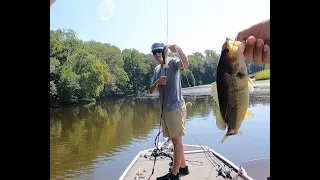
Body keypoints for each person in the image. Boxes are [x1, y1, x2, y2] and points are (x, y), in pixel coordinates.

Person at [150, 42, 190, 180]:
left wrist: (177, 48)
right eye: (153, 52)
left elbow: (185, 63)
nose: (156, 54)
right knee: (174, 140)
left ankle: (174, 175)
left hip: (175, 107)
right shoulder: (156, 70)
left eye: (159, 51)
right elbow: (151, 90)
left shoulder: (173, 63)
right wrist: (157, 83)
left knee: (177, 140)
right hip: (165, 109)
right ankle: (183, 168)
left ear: (164, 51)